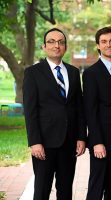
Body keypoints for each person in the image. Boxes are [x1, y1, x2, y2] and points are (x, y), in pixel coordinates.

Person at [23, 28, 86, 200]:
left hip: (69, 142)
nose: (56, 45)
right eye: (51, 41)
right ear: (44, 46)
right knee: (42, 189)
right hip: (44, 143)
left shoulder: (73, 73)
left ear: (65, 47)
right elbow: (30, 111)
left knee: (65, 190)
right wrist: (35, 142)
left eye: (60, 42)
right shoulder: (33, 73)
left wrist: (81, 137)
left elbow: (79, 107)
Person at [83, 27, 111, 200]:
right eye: (104, 42)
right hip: (102, 142)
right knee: (97, 187)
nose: (108, 45)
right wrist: (96, 142)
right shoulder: (91, 74)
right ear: (98, 46)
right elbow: (90, 110)